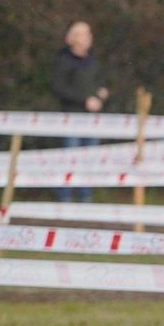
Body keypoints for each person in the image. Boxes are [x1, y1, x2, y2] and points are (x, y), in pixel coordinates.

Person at [51, 20, 109, 202]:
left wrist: (100, 92)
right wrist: (84, 100)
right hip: (71, 119)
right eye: (85, 34)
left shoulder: (92, 61)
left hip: (92, 121)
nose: (89, 38)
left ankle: (86, 198)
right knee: (70, 158)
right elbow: (59, 88)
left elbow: (99, 82)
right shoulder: (63, 61)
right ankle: (65, 198)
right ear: (74, 38)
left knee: (89, 159)